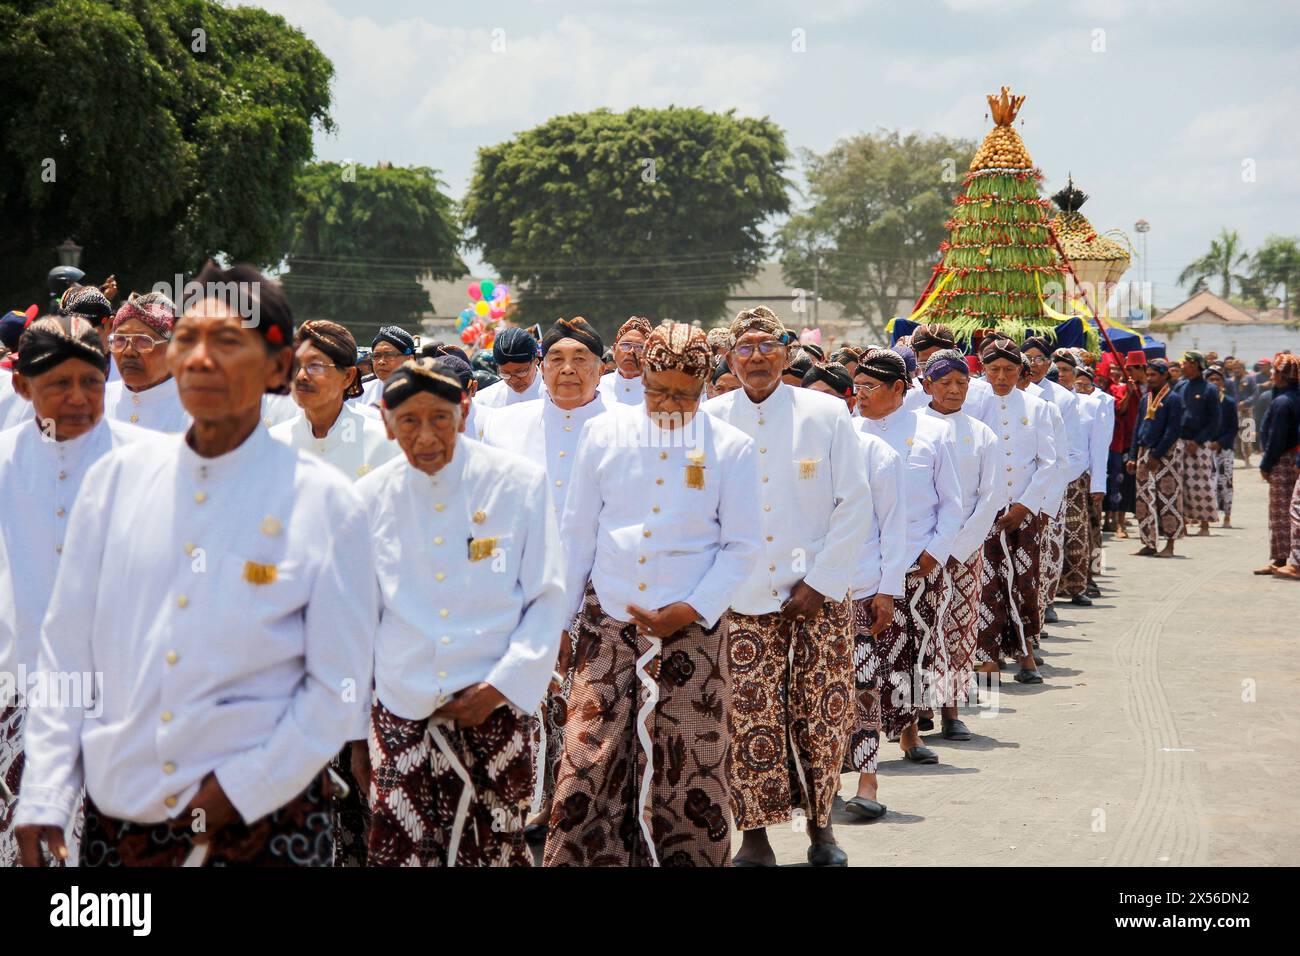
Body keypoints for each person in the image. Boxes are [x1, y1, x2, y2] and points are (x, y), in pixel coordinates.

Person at [15, 263, 377, 868]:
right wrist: (46, 788)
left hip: (269, 820)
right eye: (188, 339)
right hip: (125, 808)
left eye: (228, 342)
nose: (202, 359)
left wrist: (236, 790)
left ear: (278, 368)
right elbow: (67, 652)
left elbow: (337, 688)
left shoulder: (325, 503)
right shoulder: (114, 481)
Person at [545, 322, 761, 866]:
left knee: (689, 768)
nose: (669, 403)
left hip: (693, 632)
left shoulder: (731, 447)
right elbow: (576, 537)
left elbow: (742, 545)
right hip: (608, 624)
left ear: (707, 384)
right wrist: (560, 626)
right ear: (639, 378)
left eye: (684, 394)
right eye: (657, 390)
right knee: (587, 762)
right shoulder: (603, 434)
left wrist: (689, 610)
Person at [353, 357, 565, 866]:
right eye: (409, 422)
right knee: (403, 853)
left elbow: (547, 597)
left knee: (492, 850)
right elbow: (354, 624)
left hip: (495, 710)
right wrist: (355, 735)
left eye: (439, 419)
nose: (425, 437)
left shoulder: (519, 484)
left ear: (465, 411)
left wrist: (497, 688)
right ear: (386, 421)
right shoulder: (366, 499)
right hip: (401, 712)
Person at [703, 306, 869, 867]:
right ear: (730, 358)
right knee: (748, 715)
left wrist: (820, 580)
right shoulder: (712, 416)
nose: (756, 356)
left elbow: (855, 503)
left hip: (817, 598)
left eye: (766, 345)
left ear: (785, 352)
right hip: (740, 598)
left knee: (820, 711)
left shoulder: (825, 413)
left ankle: (822, 829)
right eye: (744, 347)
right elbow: (702, 512)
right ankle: (755, 837)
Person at [0, 315, 144, 866]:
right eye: (59, 383)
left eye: (91, 380)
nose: (79, 398)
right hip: (22, 699)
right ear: (22, 386)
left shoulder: (154, 461)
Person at [481, 316, 609, 839]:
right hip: (521, 588)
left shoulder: (626, 424)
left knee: (589, 707)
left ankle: (578, 809)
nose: (568, 370)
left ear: (601, 369)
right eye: (555, 359)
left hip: (602, 592)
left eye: (581, 360)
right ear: (540, 366)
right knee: (530, 700)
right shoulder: (503, 424)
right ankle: (531, 804)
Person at [854, 348, 963, 762]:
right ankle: (857, 739)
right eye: (857, 386)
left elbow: (953, 504)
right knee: (862, 653)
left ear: (898, 389)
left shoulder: (932, 433)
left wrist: (935, 553)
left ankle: (910, 733)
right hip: (861, 562)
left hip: (918, 565)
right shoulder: (847, 433)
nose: (860, 395)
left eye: (870, 387)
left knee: (914, 649)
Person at [920, 349, 1001, 736]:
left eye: (962, 383)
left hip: (963, 552)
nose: (954, 390)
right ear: (925, 385)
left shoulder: (981, 433)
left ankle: (952, 712)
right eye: (945, 383)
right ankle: (915, 713)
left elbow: (990, 497)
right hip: (918, 552)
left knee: (958, 628)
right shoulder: (912, 426)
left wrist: (956, 549)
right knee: (918, 631)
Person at [973, 339, 1057, 684]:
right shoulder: (973, 406)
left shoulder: (1038, 408)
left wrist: (1025, 506)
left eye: (1009, 370)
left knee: (1024, 582)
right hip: (984, 513)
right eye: (994, 370)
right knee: (987, 585)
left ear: (1021, 371)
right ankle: (987, 658)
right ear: (984, 370)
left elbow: (1049, 462)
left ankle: (1025, 655)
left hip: (1025, 512)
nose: (1002, 377)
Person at [841, 394, 907, 822]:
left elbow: (893, 524)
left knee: (864, 686)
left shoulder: (875, 453)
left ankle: (868, 780)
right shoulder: (787, 450)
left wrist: (887, 589)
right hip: (797, 595)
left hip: (860, 587)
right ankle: (819, 780)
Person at [101, 293, 188, 433]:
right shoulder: (97, 400)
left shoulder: (194, 411)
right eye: (120, 340)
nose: (129, 351)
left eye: (144, 341)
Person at [1126, 359, 1185, 558]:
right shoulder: (1146, 398)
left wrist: (1157, 454)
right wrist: (1133, 455)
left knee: (1168, 499)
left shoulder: (1173, 399)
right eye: (1148, 374)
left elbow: (1172, 430)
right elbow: (1137, 428)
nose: (1149, 378)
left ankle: (1170, 545)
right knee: (1143, 500)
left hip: (1165, 454)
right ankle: (1148, 542)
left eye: (1154, 375)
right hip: (1144, 452)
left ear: (1164, 375)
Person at [1257, 353, 1300, 578]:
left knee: (1281, 513)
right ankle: (1282, 558)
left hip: (1283, 461)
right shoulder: (1287, 396)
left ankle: (1283, 558)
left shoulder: (1284, 401)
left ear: (1282, 375)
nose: (1272, 375)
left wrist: (1266, 464)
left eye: (1275, 371)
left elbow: (1277, 438)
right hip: (1290, 459)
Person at [1073, 364, 1112, 595]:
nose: (1082, 388)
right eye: (1079, 384)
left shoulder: (1100, 402)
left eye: (1086, 384)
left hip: (1091, 474)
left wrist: (1099, 480)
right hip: (1071, 476)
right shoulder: (1062, 403)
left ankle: (1094, 574)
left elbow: (1102, 442)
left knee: (1093, 530)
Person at [1173, 351, 1221, 535]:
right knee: (1179, 484)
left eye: (1185, 363)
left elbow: (1214, 420)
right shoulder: (1180, 386)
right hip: (1179, 441)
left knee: (1201, 483)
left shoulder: (1209, 389)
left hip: (1199, 444)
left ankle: (1205, 525)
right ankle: (1182, 523)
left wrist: (1199, 440)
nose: (1182, 366)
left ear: (1194, 365)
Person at [474, 326, 544, 408]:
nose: (513, 381)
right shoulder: (484, 402)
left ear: (536, 360)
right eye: (505, 374)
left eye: (520, 372)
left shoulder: (555, 397)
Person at [1205, 365, 1238, 528]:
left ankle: (1227, 517)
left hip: (1225, 449)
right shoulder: (1203, 401)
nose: (1214, 382)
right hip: (1206, 447)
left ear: (1222, 382)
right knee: (1207, 482)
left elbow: (1233, 428)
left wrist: (1220, 443)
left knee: (1226, 482)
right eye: (1211, 379)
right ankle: (1206, 517)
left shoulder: (1229, 402)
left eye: (1217, 379)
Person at [355, 326, 416, 408]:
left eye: (389, 355)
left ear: (409, 359)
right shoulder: (360, 393)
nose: (381, 362)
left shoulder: (426, 393)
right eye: (376, 356)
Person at [598, 316, 650, 405]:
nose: (631, 351)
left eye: (640, 347)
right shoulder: (597, 387)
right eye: (625, 345)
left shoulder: (659, 391)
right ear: (614, 350)